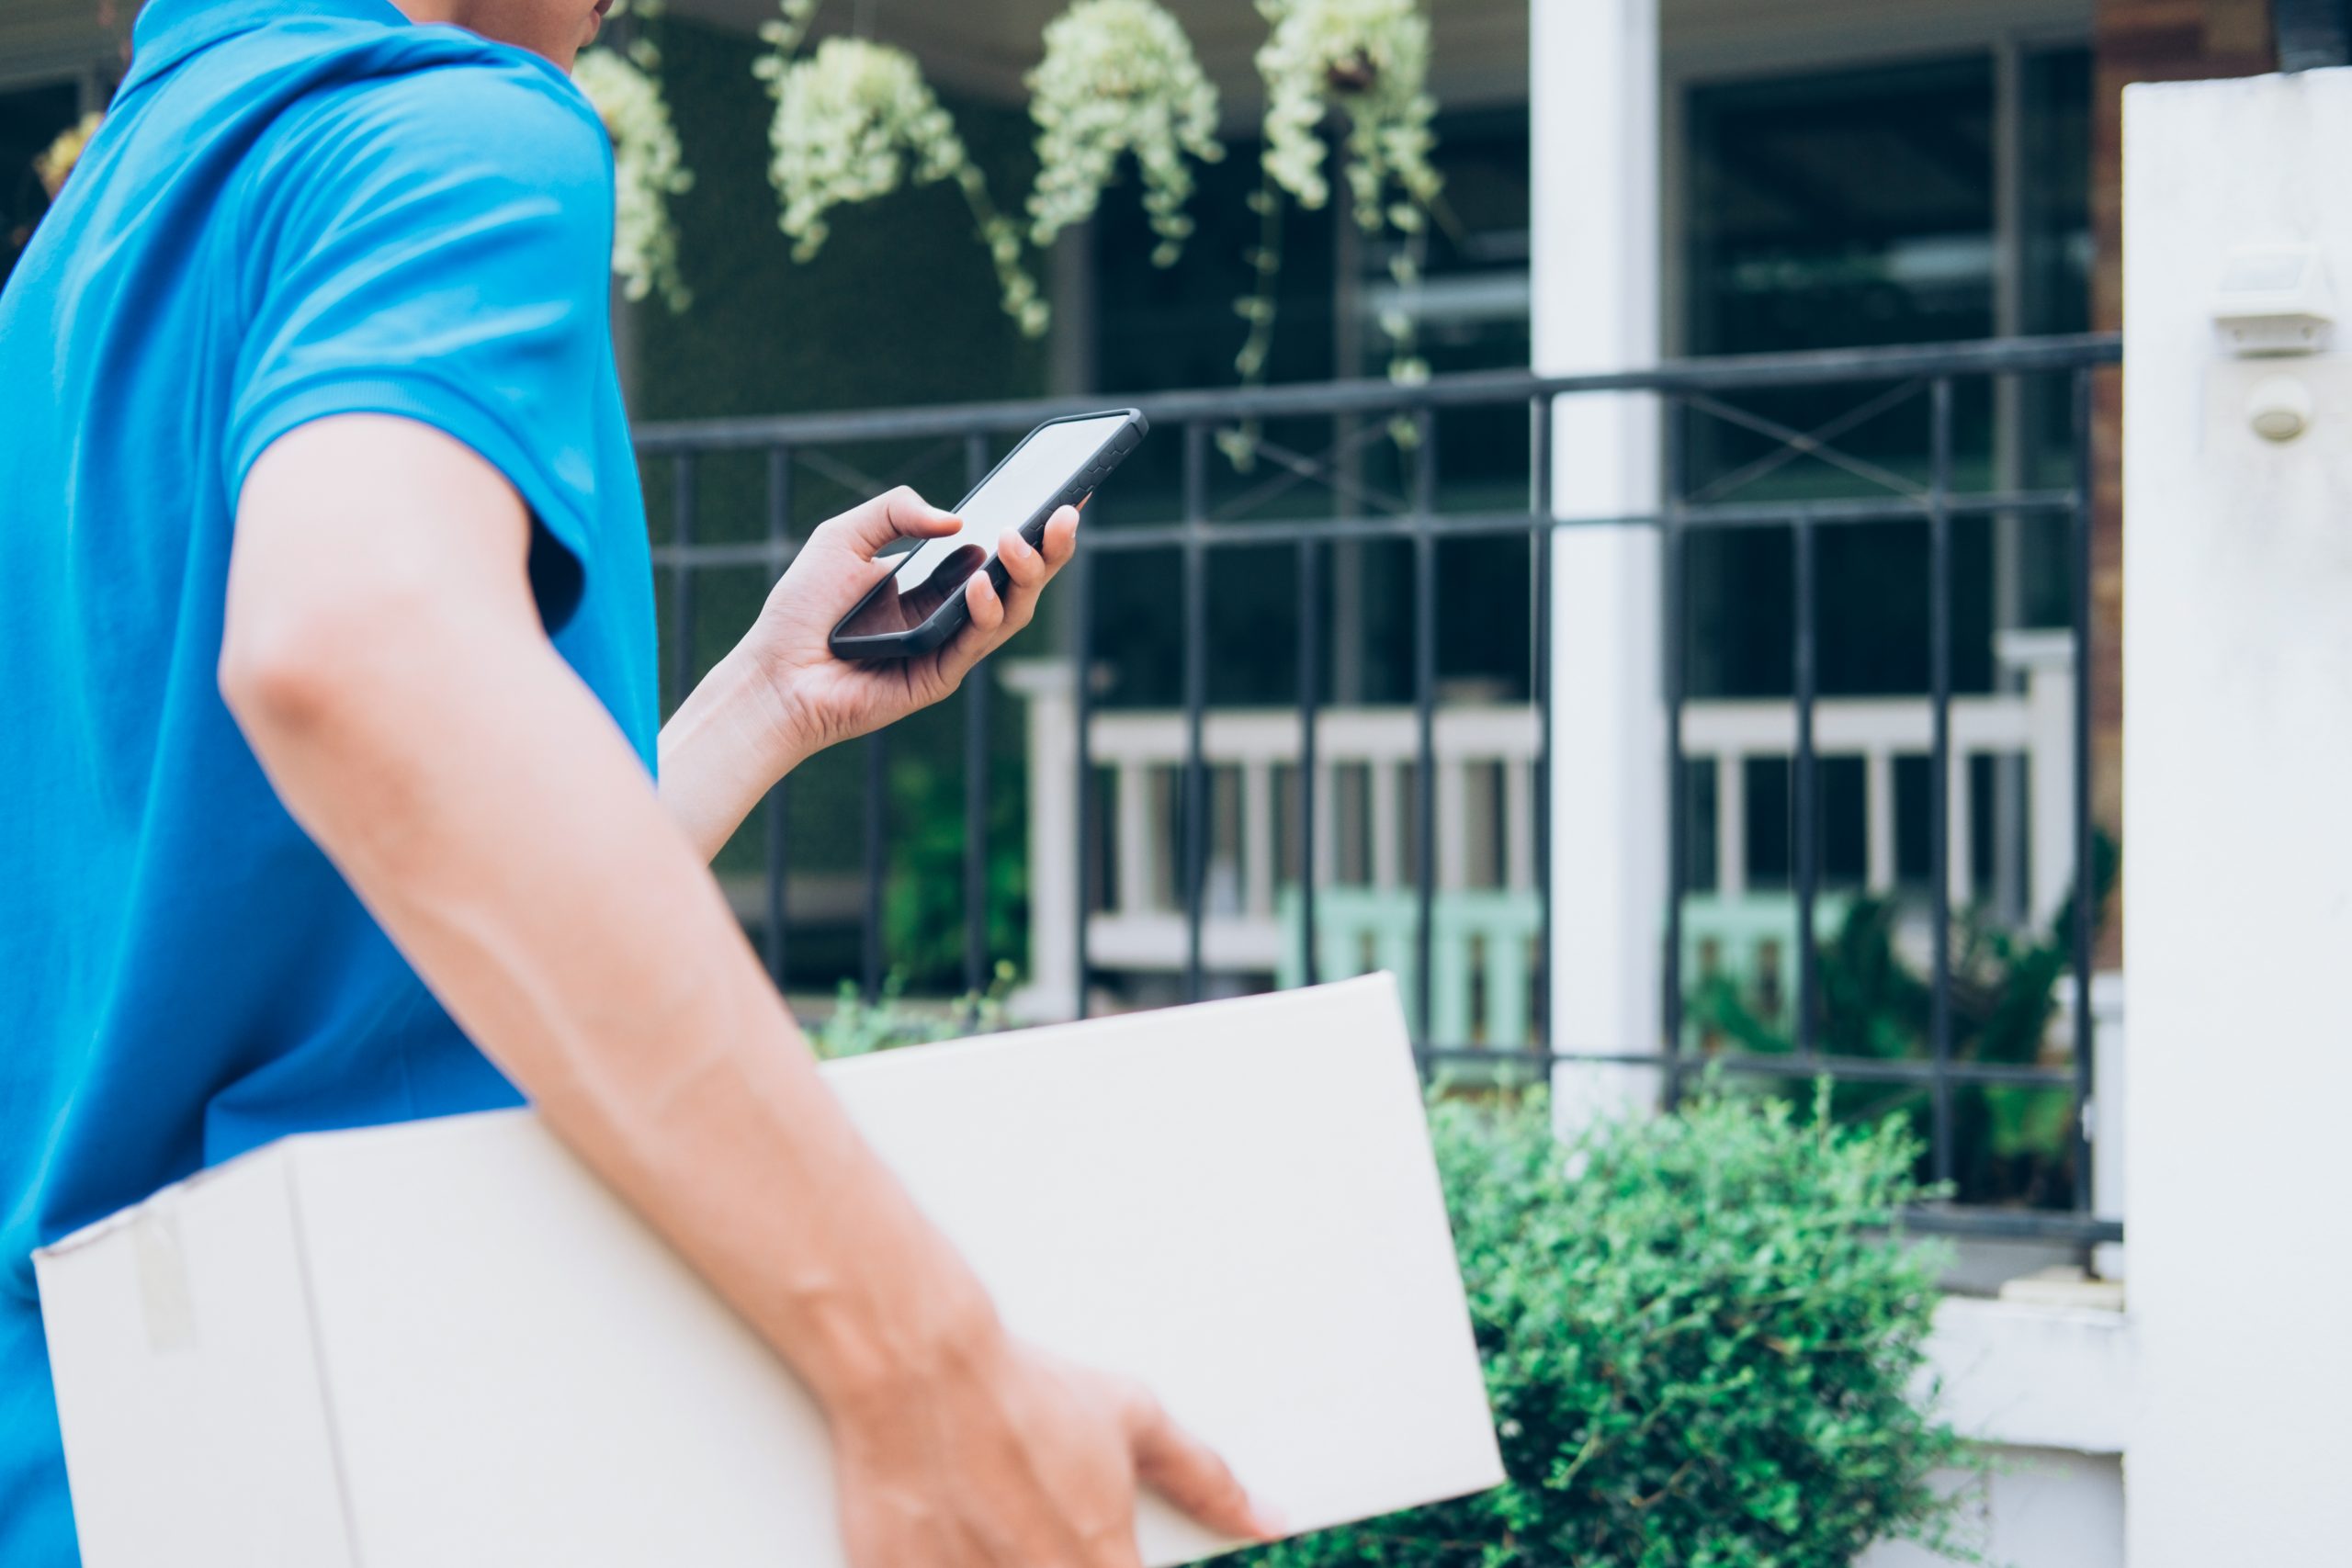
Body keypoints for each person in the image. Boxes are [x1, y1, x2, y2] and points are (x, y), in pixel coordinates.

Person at [0, 0, 1280, 1563]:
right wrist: (926, 1362)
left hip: (98, 1455)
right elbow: (358, 650)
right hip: (373, 1442)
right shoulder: (451, 130)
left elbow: (310, 926)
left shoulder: (91, 240)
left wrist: (760, 706)